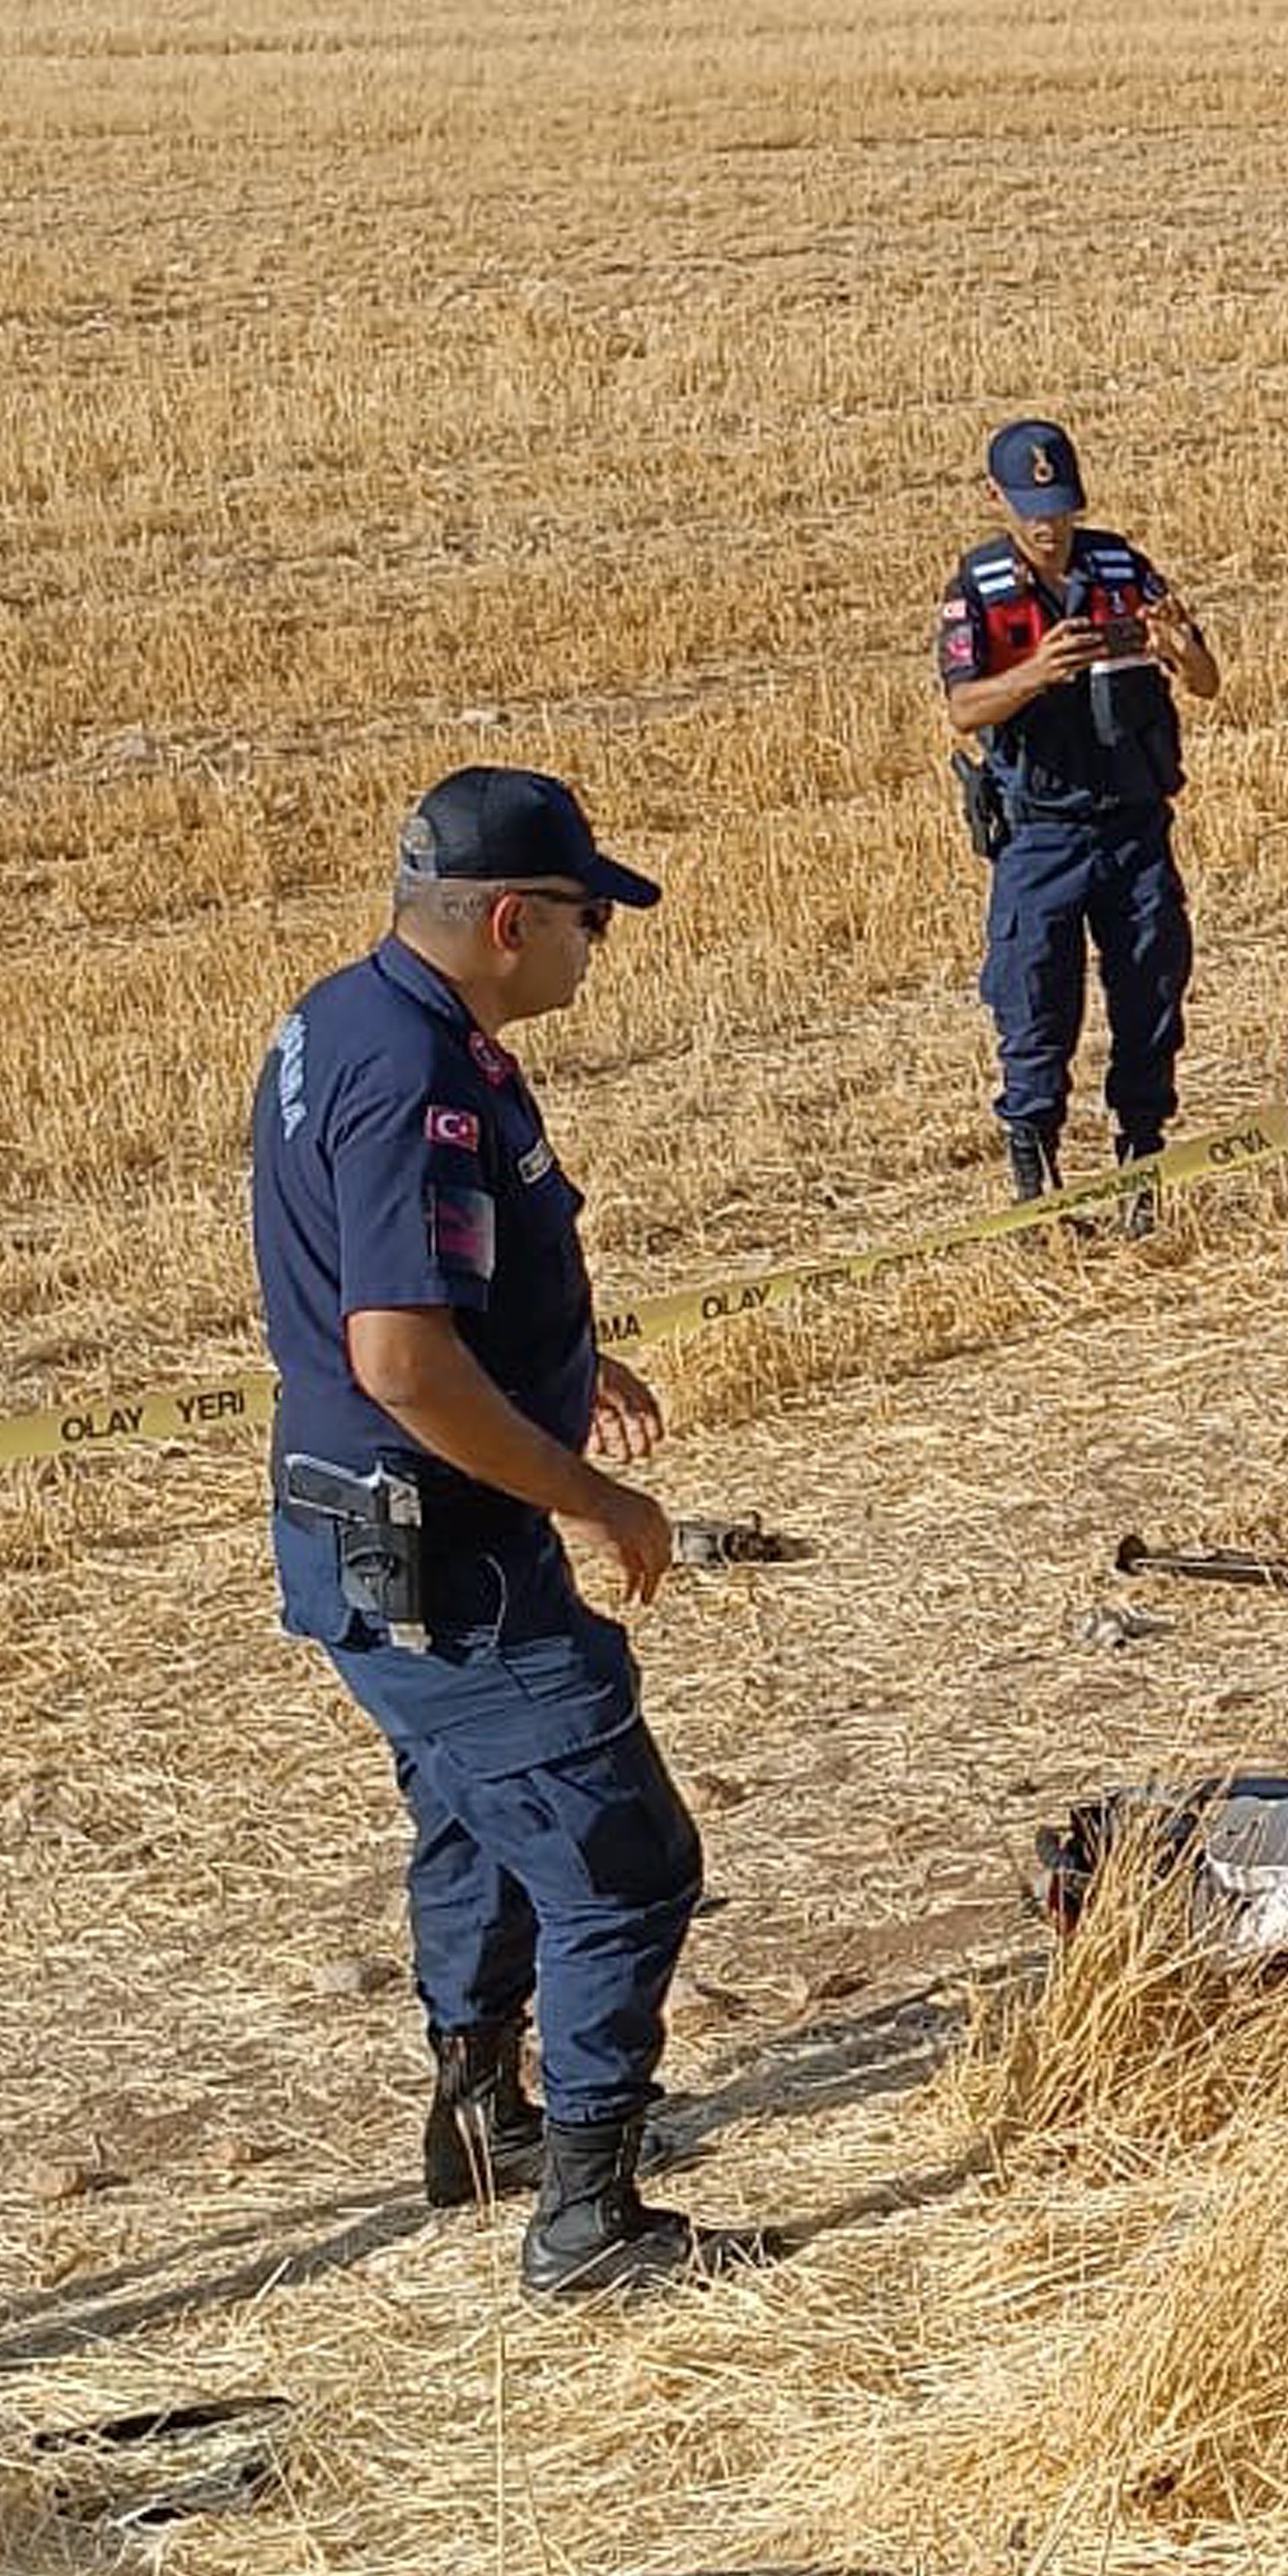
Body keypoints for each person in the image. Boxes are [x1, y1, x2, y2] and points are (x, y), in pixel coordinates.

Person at [247, 768, 758, 2298]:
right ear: (514, 920)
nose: (600, 942)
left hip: (386, 1532)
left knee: (476, 1814)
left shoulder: (347, 1016)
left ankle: (481, 2119)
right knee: (623, 1863)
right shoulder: (420, 1083)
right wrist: (593, 1493)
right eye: (592, 915)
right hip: (446, 1548)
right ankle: (589, 2221)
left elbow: (416, 1295)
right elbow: (403, 1360)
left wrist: (557, 1363)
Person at [937, 418, 1216, 1204]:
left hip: (1134, 826)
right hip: (1041, 834)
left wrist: (1181, 650)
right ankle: (1038, 1182)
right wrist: (1034, 672)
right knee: (1034, 1006)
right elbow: (962, 709)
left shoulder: (1124, 568)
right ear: (995, 498)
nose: (1048, 526)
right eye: (1033, 510)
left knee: (1150, 993)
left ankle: (1141, 1161)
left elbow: (1206, 682)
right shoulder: (976, 593)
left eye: (1060, 508)